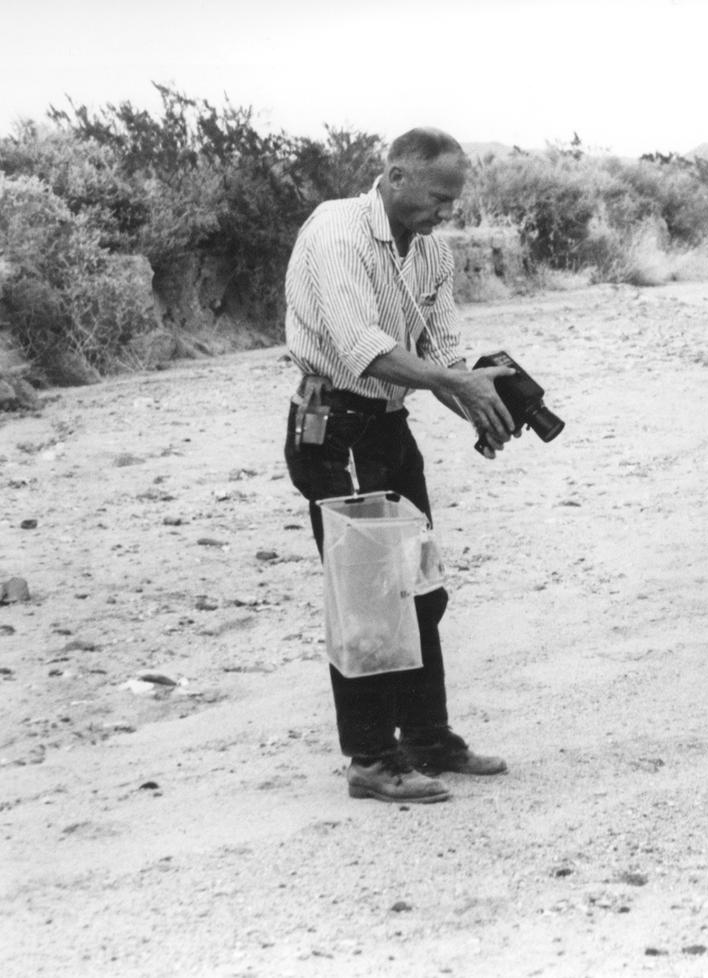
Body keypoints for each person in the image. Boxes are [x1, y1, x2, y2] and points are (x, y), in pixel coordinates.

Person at [283, 127, 517, 803]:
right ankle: (371, 759)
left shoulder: (432, 253)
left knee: (421, 587)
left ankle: (426, 736)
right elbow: (363, 350)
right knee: (367, 597)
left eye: (454, 199)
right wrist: (458, 387)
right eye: (439, 197)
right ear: (395, 176)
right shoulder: (339, 236)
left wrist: (481, 402)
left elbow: (441, 355)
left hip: (386, 427)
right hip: (334, 431)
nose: (447, 212)